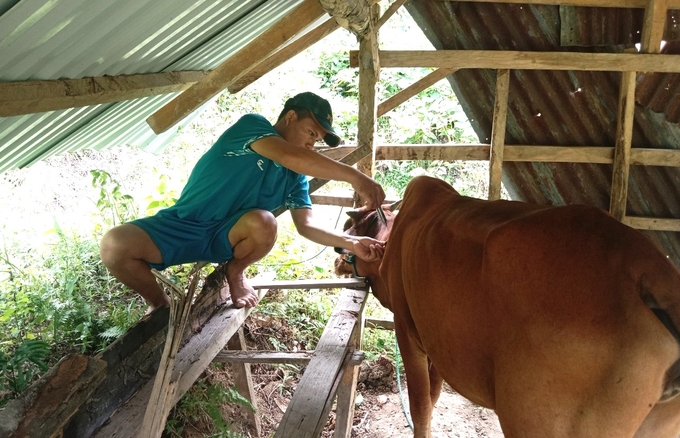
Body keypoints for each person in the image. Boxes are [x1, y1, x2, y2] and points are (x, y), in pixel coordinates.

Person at [100, 92, 386, 311]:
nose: (313, 143)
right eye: (311, 132)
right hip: (182, 225)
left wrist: (351, 243)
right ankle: (160, 305)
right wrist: (353, 176)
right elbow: (287, 155)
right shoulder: (253, 127)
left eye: (318, 139)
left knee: (264, 222)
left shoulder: (294, 176)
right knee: (115, 245)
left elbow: (307, 225)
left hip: (227, 237)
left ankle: (234, 272)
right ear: (289, 118)